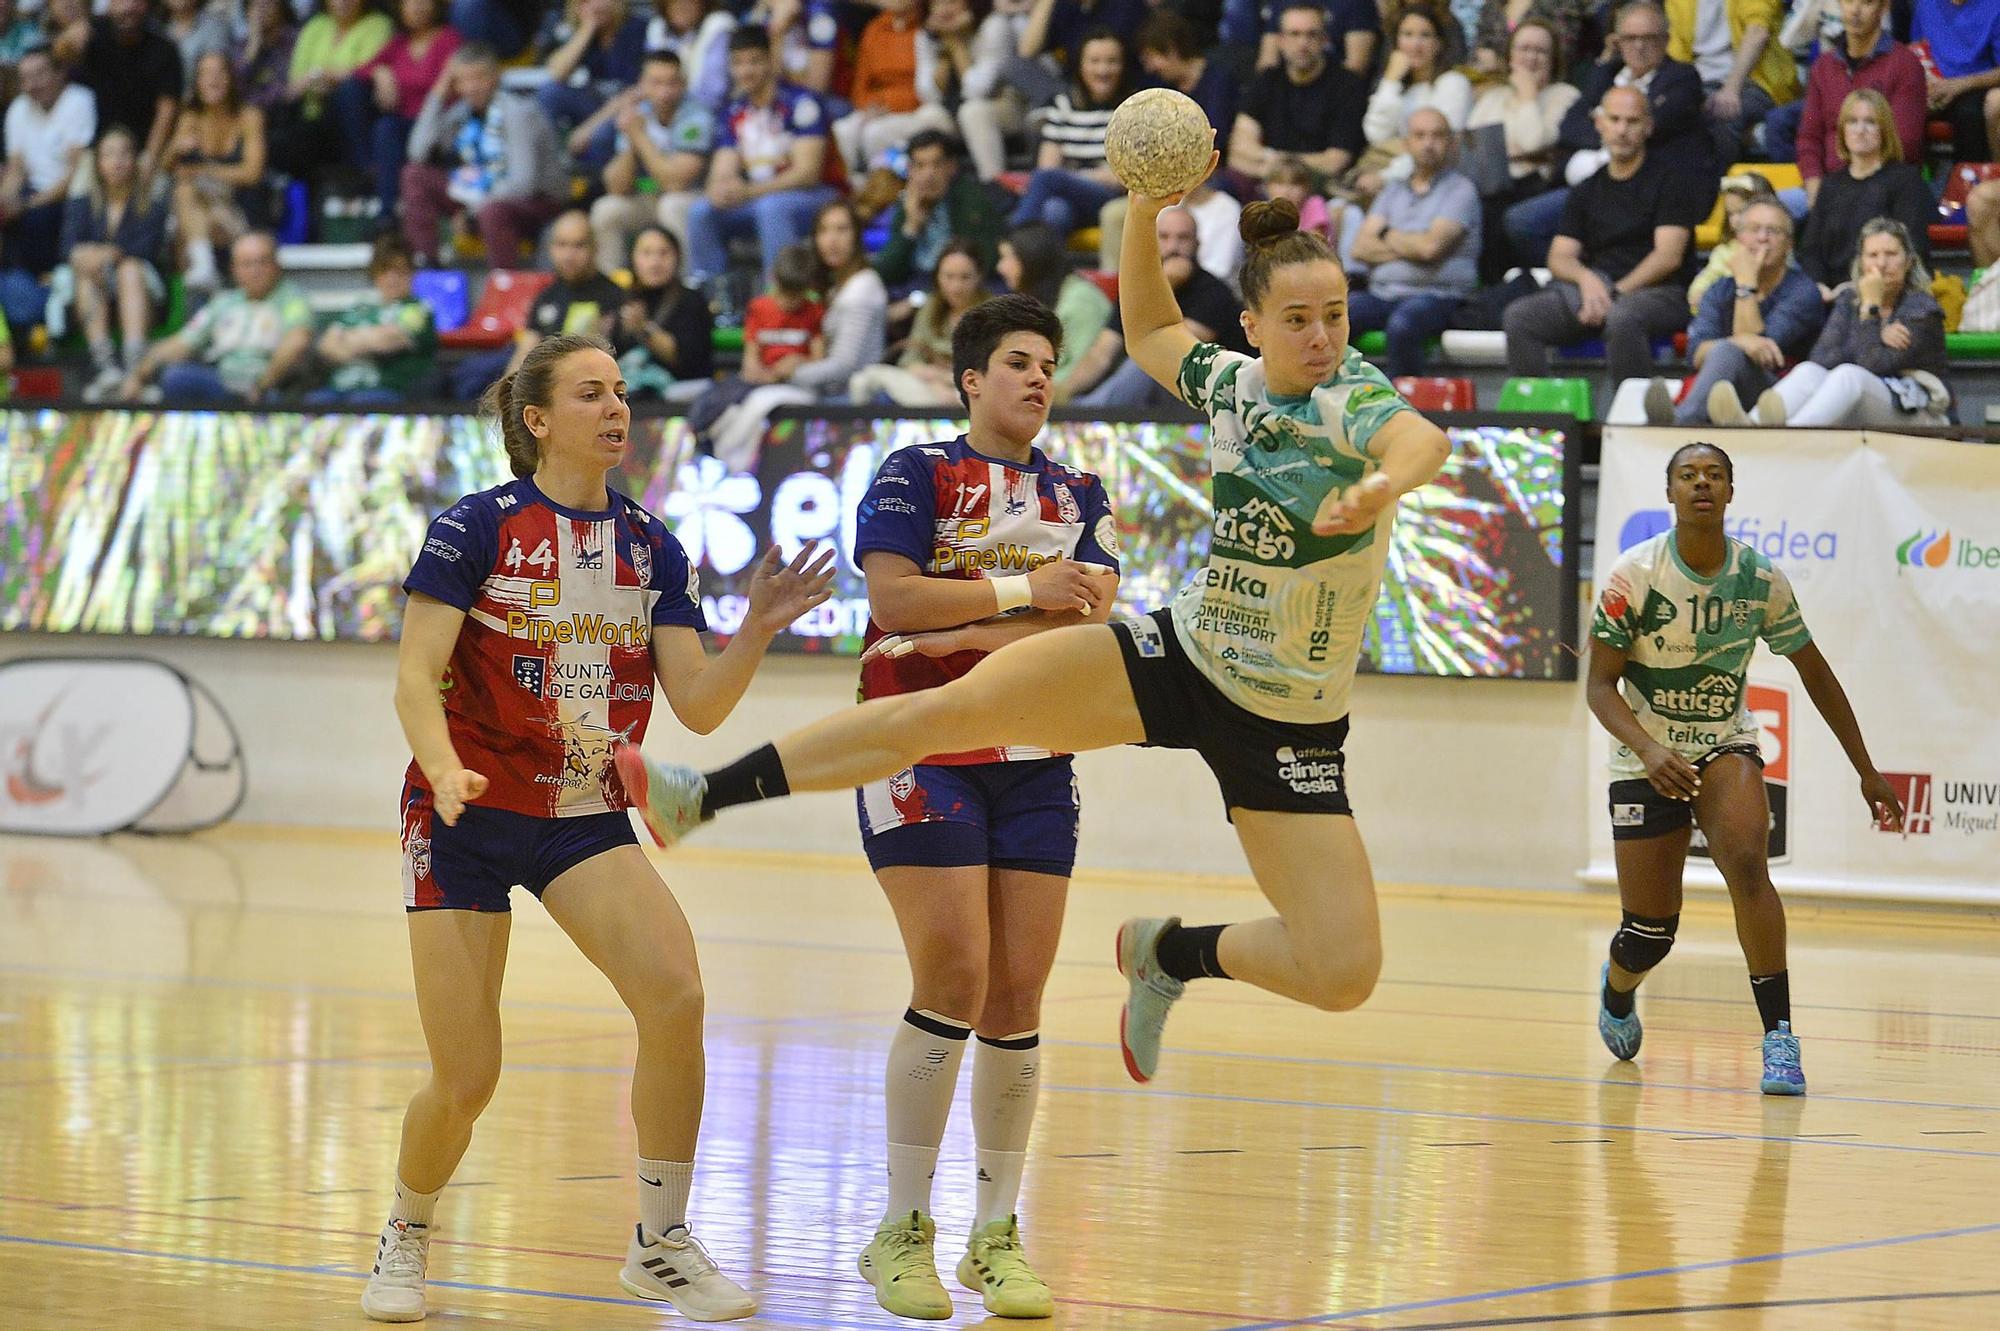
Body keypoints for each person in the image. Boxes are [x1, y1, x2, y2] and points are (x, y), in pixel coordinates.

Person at [612, 170, 1456, 1101]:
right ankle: (703, 793)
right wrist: (1142, 212)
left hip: (1290, 718)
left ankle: (1168, 953)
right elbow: (1150, 331)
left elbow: (1422, 442)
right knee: (946, 710)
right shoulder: (1232, 383)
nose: (1324, 337)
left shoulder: (1353, 394)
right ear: (1253, 326)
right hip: (1188, 656)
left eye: (1335, 314)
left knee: (1343, 972)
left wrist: (1380, 489)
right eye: (1298, 318)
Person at [356, 330, 835, 1325]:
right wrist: (443, 765)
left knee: (676, 992)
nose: (617, 407)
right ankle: (405, 1231)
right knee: (467, 1075)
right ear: (538, 420)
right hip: (465, 812)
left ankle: (659, 1243)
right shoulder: (472, 528)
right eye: (591, 393)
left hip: (580, 813)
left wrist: (753, 629)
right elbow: (412, 676)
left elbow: (697, 705)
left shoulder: (650, 542)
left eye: (620, 391)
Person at [838, 291, 1120, 1322]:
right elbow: (893, 603)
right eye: (1016, 359)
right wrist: (1016, 596)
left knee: (1016, 995)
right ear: (971, 378)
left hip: (1036, 754)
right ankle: (897, 1226)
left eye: (1048, 360)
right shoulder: (914, 471)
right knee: (951, 972)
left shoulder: (1078, 490)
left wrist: (989, 622)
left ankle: (993, 1234)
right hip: (917, 742)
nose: (1038, 375)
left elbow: (1079, 629)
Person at [1588, 440, 1903, 1097]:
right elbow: (1599, 688)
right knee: (1650, 932)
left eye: (1714, 475)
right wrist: (1649, 749)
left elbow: (1815, 672)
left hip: (1723, 743)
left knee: (1749, 862)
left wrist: (1867, 770)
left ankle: (1780, 1037)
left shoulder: (1759, 579)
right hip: (1645, 753)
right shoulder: (1633, 576)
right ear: (1669, 492)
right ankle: (1618, 991)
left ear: (1731, 492)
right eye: (1687, 474)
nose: (1701, 484)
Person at [1504, 86, 1701, 389]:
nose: (1622, 130)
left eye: (1632, 121)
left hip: (1661, 293)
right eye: (1615, 119)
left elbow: (1668, 256)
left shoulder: (1671, 182)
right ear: (1600, 124)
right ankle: (1544, 419)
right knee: (1521, 317)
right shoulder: (1586, 190)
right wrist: (1587, 281)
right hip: (1597, 292)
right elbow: (1559, 257)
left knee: (1622, 318)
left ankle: (1632, 420)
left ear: (1648, 126)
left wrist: (1612, 294)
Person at [1511, 1, 1713, 270]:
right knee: (1521, 221)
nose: (1639, 46)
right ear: (1617, 41)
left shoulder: (1682, 78)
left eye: (1648, 38)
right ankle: (1568, 282)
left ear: (1665, 40)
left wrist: (1603, 128)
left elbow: (1650, 131)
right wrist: (1609, 137)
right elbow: (1569, 127)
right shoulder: (1607, 75)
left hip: (1650, 193)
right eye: (1630, 38)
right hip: (1598, 188)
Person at [703, 197, 887, 469]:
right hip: (821, 389)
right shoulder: (837, 287)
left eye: (841, 230)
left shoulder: (861, 289)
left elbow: (845, 366)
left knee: (761, 401)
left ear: (858, 236)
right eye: (824, 231)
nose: (832, 240)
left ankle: (728, 463)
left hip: (847, 400)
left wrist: (785, 373)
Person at [1717, 217, 1949, 427]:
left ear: (1908, 262)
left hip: (1919, 410)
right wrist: (1878, 333)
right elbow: (1823, 359)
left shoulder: (1922, 309)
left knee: (1849, 375)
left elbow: (1872, 365)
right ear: (1861, 263)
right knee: (1809, 371)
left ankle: (1791, 433)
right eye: (1873, 255)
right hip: (1864, 403)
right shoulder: (1849, 299)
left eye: (1891, 254)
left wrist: (1870, 311)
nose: (1881, 264)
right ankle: (1751, 425)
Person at [685, 23, 841, 294]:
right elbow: (723, 168)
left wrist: (749, 191)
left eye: (754, 61)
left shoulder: (802, 103)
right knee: (701, 211)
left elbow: (807, 173)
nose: (746, 71)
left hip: (819, 197)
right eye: (738, 63)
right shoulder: (734, 112)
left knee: (772, 208)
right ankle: (714, 299)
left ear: (770, 60)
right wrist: (720, 189)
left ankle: (779, 293)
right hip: (761, 198)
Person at [1643, 199, 1821, 425]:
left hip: (1777, 396)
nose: (1762, 238)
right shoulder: (1719, 289)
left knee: (1727, 351)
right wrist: (1740, 342)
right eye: (1754, 229)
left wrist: (1746, 283)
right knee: (1725, 352)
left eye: (1773, 231)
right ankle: (1681, 420)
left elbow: (1760, 352)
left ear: (1789, 245)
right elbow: (1696, 354)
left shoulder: (1803, 291)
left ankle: (1677, 423)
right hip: (1720, 389)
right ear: (1739, 238)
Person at [401, 43, 566, 268]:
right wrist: (440, 91)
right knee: (414, 174)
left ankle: (504, 286)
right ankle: (430, 268)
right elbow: (418, 152)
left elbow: (522, 184)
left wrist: (471, 213)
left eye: (479, 78)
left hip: (538, 204)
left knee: (492, 211)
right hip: (481, 196)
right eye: (462, 80)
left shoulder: (519, 112)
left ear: (496, 77)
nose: (471, 87)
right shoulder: (461, 113)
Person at [1347, 107, 1480, 378]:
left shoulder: (1461, 190)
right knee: (1334, 316)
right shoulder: (1392, 191)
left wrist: (1385, 234)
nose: (1428, 144)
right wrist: (1412, 246)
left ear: (1451, 143)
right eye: (1419, 136)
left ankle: (1406, 412)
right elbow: (1360, 248)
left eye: (1437, 135)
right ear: (1407, 143)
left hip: (1439, 295)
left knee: (1403, 324)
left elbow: (1430, 248)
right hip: (1383, 294)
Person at [1081, 205, 1250, 406]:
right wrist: (1061, 394)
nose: (1173, 247)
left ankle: (1093, 413)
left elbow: (1170, 351)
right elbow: (1101, 354)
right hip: (1152, 396)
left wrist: (1167, 283)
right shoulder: (1135, 289)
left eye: (1183, 238)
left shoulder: (1214, 293)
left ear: (1197, 244)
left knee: (1149, 362)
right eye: (1164, 237)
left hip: (1211, 399)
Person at [118, 230, 313, 404]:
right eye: (247, 264)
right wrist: (138, 374)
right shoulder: (224, 303)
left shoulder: (291, 300)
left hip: (272, 387)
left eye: (262, 262)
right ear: (234, 270)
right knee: (176, 377)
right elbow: (183, 343)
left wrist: (262, 385)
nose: (256, 271)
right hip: (224, 385)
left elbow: (297, 342)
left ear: (276, 265)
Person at [1464, 17, 1579, 284]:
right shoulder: (1494, 97)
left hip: (1536, 187)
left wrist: (1528, 95)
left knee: (1500, 214)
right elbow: (1474, 148)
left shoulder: (1564, 95)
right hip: (1490, 186)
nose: (1531, 57)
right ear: (1510, 55)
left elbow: (1533, 141)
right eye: (1524, 49)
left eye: (1540, 51)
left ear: (1554, 59)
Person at [62, 126, 172, 400]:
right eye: (109, 155)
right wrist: (88, 258)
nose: (118, 161)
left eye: (125, 154)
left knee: (129, 269)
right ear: (98, 164)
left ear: (135, 160)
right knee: (87, 272)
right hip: (96, 286)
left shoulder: (151, 201)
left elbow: (146, 248)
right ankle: (106, 368)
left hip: (144, 288)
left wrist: (110, 254)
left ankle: (136, 366)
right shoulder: (83, 202)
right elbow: (66, 247)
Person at [330, 0, 462, 221]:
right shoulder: (399, 43)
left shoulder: (450, 39)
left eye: (423, 2)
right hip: (403, 123)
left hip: (439, 124)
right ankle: (369, 173)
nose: (417, 7)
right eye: (410, 2)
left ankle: (386, 212)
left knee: (386, 129)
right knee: (354, 94)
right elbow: (361, 70)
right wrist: (380, 71)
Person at [584, 50, 713, 267]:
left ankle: (683, 288)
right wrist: (632, 144)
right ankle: (611, 289)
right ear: (642, 85)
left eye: (672, 83)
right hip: (648, 195)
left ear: (683, 84)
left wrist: (638, 136)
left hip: (693, 196)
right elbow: (617, 186)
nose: (665, 92)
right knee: (606, 210)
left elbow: (676, 183)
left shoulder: (697, 116)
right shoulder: (638, 114)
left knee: (671, 205)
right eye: (656, 83)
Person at [1795, 90, 1931, 295]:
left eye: (1870, 122)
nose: (1860, 130)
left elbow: (1912, 247)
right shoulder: (1831, 185)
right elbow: (1811, 250)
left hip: (1886, 292)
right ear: (1842, 130)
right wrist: (1819, 287)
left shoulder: (1906, 180)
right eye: (1852, 122)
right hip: (1829, 294)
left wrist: (1858, 288)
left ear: (1884, 130)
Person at [1004, 27, 1130, 239]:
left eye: (1111, 61)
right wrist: (1089, 176)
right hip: (1070, 198)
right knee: (1055, 211)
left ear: (1123, 66)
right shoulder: (1062, 105)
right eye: (1095, 61)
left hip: (1113, 199)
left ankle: (1015, 244)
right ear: (1081, 65)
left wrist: (1072, 176)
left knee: (1049, 181)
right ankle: (1045, 269)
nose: (1103, 70)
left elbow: (1124, 178)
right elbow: (1047, 166)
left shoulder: (1133, 109)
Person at [1792, 0, 1924, 203]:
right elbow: (1808, 137)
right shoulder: (1822, 67)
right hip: (1826, 186)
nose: (1855, 10)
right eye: (1848, 1)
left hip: (1883, 189)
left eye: (1867, 2)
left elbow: (1904, 144)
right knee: (1765, 212)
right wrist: (1814, 186)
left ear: (1884, 7)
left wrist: (1852, 185)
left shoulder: (1906, 64)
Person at [1229, 3, 1369, 191]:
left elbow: (1336, 161)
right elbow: (1238, 150)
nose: (1302, 43)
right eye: (1294, 34)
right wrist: (1281, 167)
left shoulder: (1346, 85)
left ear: (1324, 39)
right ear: (1280, 40)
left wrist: (1273, 162)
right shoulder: (1267, 80)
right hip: (1267, 181)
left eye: (1311, 35)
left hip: (1318, 187)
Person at [167, 51, 269, 295]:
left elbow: (252, 173)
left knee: (187, 216)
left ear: (232, 79)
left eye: (220, 73)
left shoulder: (249, 116)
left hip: (237, 211)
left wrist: (203, 170)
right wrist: (174, 150)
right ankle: (203, 272)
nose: (214, 80)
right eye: (206, 74)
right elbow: (168, 167)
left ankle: (204, 273)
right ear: (197, 82)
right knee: (184, 195)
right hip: (200, 212)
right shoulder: (190, 118)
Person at [851, 238, 989, 407]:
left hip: (973, 393)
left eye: (965, 277)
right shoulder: (931, 306)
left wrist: (946, 379)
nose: (956, 287)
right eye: (949, 277)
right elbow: (910, 359)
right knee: (863, 379)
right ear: (937, 276)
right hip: (928, 387)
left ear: (979, 276)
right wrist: (931, 378)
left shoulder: (993, 313)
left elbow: (991, 372)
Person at [265, 0, 393, 179]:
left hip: (358, 109)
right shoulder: (316, 26)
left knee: (350, 90)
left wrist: (321, 74)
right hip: (309, 111)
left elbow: (366, 71)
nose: (343, 2)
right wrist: (319, 77)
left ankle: (365, 173)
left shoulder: (378, 25)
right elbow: (294, 83)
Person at [995, 222, 1118, 405]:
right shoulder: (1036, 301)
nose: (1000, 267)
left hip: (1085, 403)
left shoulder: (1082, 301)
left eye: (1007, 257)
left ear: (1031, 260)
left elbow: (1083, 370)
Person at [1664, 0, 1798, 166]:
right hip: (1700, 80)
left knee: (1724, 116)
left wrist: (1731, 89)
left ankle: (1718, 185)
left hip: (1755, 81)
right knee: (1668, 110)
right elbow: (1676, 51)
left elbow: (1758, 32)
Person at [870, 129, 1002, 298]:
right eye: (920, 165)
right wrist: (911, 227)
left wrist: (919, 301)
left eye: (936, 164)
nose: (928, 174)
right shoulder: (908, 202)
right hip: (915, 283)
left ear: (951, 166)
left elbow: (986, 262)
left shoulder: (972, 199)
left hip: (958, 286)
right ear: (910, 169)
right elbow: (886, 271)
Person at [0, 46, 94, 281]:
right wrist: (5, 202)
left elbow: (74, 173)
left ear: (60, 72)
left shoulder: (78, 101)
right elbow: (16, 168)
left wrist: (27, 205)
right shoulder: (18, 109)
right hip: (30, 193)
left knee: (35, 221)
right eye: (25, 79)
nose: (31, 85)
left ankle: (45, 285)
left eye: (39, 75)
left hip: (69, 195)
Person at [1359, 2, 1473, 196]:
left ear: (1438, 43)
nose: (1415, 44)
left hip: (1439, 184)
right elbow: (1376, 135)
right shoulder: (1397, 89)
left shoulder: (1453, 83)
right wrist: (1390, 80)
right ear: (1396, 43)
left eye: (1425, 35)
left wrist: (1385, 177)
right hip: (1395, 180)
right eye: (1407, 35)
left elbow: (1438, 147)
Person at [310, 233, 437, 404]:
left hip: (386, 391)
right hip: (339, 388)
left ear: (412, 273)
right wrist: (369, 340)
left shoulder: (418, 309)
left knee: (360, 403)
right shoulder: (360, 307)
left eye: (400, 271)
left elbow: (386, 342)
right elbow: (326, 346)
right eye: (384, 270)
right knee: (314, 402)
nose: (392, 278)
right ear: (375, 274)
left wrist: (347, 339)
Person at [833, 0, 954, 175]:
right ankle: (854, 189)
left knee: (874, 133)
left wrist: (890, 105)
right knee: (842, 131)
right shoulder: (875, 28)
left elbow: (928, 89)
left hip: (919, 108)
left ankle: (881, 189)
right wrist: (868, 108)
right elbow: (861, 84)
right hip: (880, 108)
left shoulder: (927, 28)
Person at [72, 0, 183, 181]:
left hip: (143, 147)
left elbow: (167, 110)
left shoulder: (165, 49)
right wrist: (70, 37)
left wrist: (150, 156)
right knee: (78, 199)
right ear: (110, 5)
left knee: (156, 196)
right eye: (121, 1)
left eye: (137, 2)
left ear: (147, 6)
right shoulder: (93, 33)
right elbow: (60, 55)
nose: (129, 7)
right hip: (97, 146)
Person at [612, 225, 715, 400]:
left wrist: (644, 328)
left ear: (677, 257)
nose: (655, 262)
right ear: (632, 259)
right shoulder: (621, 299)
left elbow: (687, 361)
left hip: (684, 389)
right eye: (647, 253)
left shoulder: (691, 300)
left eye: (664, 253)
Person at [532, 0, 649, 148]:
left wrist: (587, 129)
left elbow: (638, 90)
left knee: (602, 135)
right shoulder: (586, 33)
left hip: (630, 107)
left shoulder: (639, 29)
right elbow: (557, 73)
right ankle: (551, 159)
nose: (596, 5)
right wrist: (588, 28)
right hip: (596, 101)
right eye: (586, 1)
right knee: (550, 92)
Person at [1911, 0, 2000, 162]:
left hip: (1975, 85)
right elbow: (1917, 48)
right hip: (1933, 82)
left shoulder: (1995, 7)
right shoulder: (1925, 4)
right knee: (1900, 104)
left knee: (1969, 114)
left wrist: (1958, 85)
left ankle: (1969, 179)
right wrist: (1925, 80)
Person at [1685, 172, 1777, 312]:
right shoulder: (1724, 252)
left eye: (1741, 212)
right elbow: (1702, 283)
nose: (1735, 220)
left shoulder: (1777, 252)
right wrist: (1698, 292)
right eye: (1730, 213)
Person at [1256, 0, 1381, 76]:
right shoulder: (1281, 2)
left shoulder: (1357, 3)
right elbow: (1268, 62)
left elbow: (1356, 67)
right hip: (1285, 92)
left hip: (1336, 94)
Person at [1470, 0, 1593, 72]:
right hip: (1489, 79)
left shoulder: (1563, 3)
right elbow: (1481, 42)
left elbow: (1563, 52)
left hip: (1539, 83)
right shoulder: (1494, 3)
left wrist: (1502, 65)